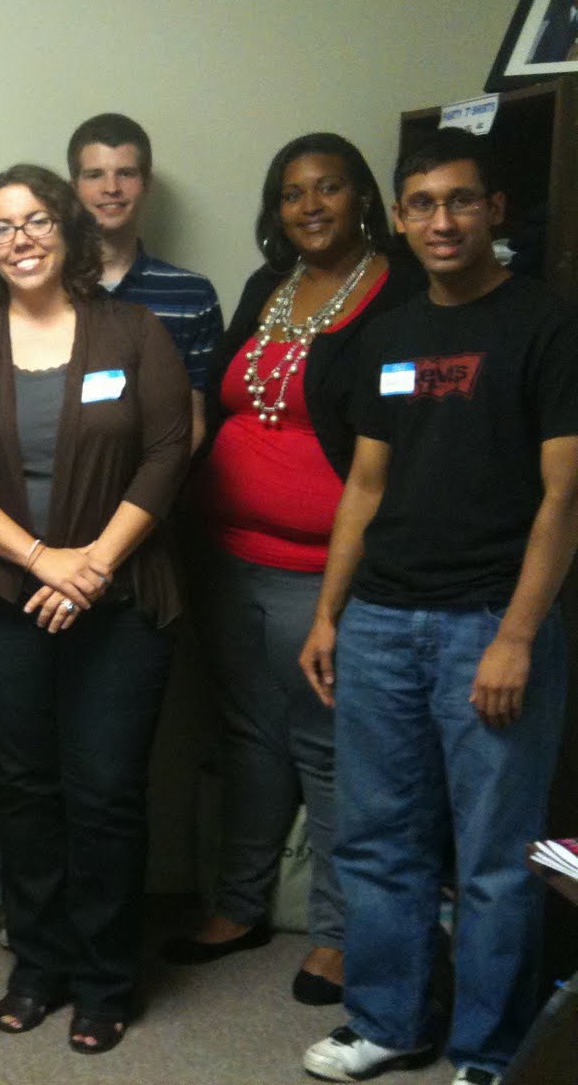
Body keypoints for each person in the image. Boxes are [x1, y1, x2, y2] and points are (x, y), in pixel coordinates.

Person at [299, 130, 578, 1085]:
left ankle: (487, 1051)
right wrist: (332, 615)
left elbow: (565, 497)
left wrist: (517, 636)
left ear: (496, 210)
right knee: (377, 838)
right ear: (404, 218)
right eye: (422, 205)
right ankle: (390, 1021)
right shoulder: (394, 331)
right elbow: (366, 486)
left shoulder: (548, 324)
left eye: (460, 201)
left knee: (496, 861)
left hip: (487, 625)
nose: (441, 221)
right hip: (381, 619)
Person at [0, 164, 190, 1053]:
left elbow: (165, 451)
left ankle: (108, 980)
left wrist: (94, 568)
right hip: (2, 598)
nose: (21, 239)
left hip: (121, 601)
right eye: (1, 228)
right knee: (28, 792)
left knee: (107, 794)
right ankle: (39, 967)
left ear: (67, 231)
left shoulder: (133, 331)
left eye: (36, 221)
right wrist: (43, 561)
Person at [163, 134, 421, 1005]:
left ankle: (340, 936)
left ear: (362, 199)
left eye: (329, 189)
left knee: (329, 751)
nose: (311, 206)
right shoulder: (264, 288)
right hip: (229, 562)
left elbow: (399, 447)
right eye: (292, 193)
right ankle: (239, 906)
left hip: (326, 575)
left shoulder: (399, 292)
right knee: (247, 741)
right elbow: (228, 401)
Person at [68, 112, 222, 451]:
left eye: (126, 173)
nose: (111, 188)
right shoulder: (49, 290)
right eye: (95, 175)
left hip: (156, 494)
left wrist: (143, 498)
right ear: (74, 187)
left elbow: (193, 423)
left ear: (146, 183)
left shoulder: (192, 296)